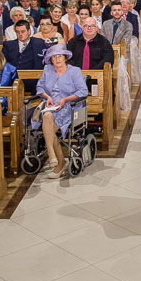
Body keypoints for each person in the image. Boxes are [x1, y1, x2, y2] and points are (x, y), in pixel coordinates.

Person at [32, 43, 88, 179]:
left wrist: (66, 99)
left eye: (60, 56)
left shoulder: (74, 71)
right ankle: (55, 157)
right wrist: (47, 97)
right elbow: (39, 88)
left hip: (69, 106)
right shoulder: (47, 70)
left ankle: (57, 159)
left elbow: (83, 91)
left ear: (65, 58)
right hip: (51, 105)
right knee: (47, 115)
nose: (57, 59)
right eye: (54, 57)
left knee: (48, 127)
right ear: (50, 59)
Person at [4, 20, 47, 94]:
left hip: (34, 81)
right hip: (14, 81)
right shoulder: (8, 45)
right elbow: (4, 64)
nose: (20, 34)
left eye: (23, 31)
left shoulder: (39, 43)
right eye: (17, 32)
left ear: (29, 31)